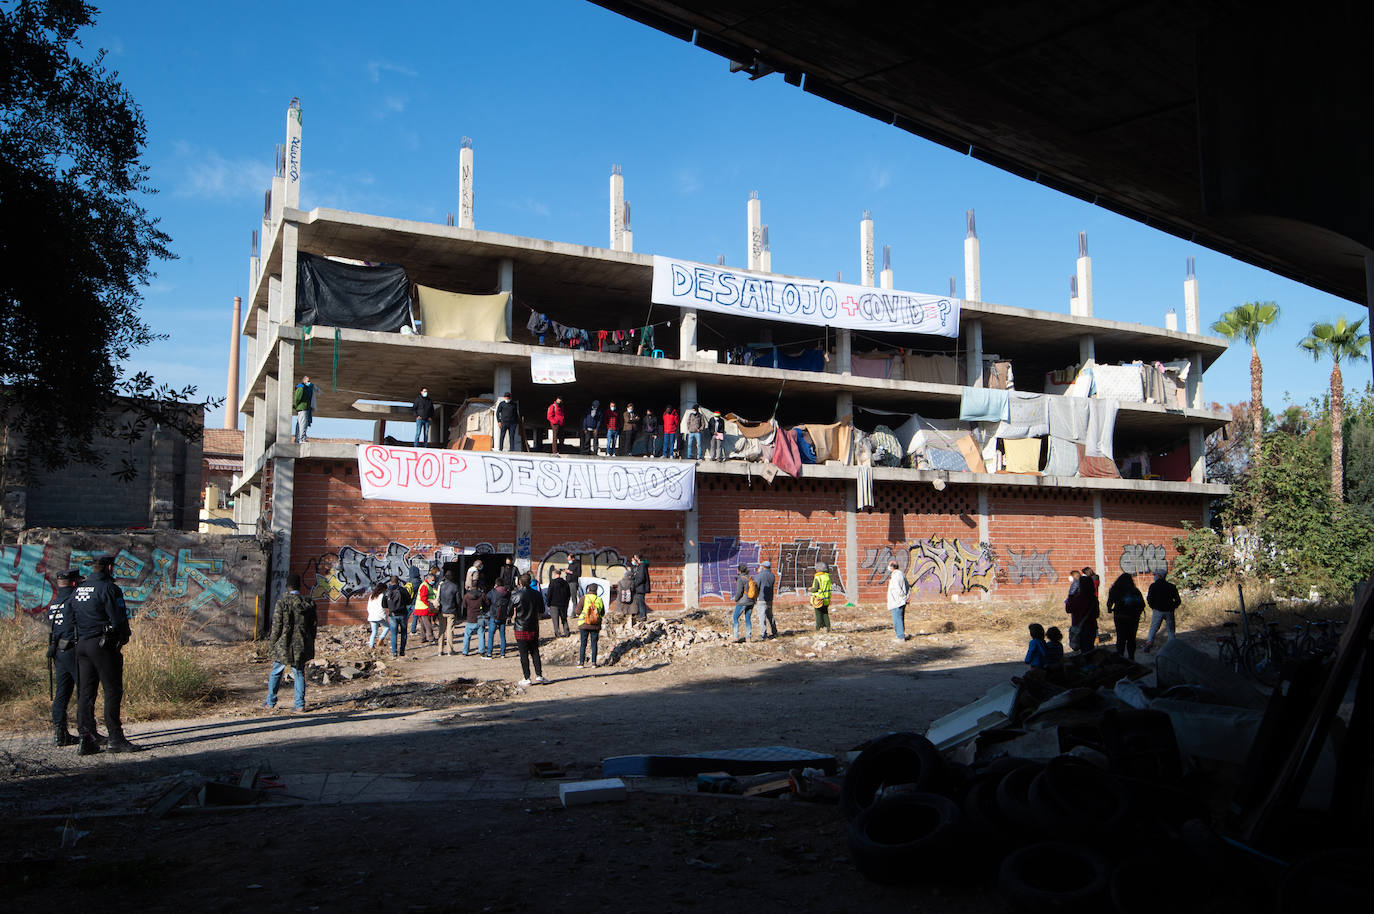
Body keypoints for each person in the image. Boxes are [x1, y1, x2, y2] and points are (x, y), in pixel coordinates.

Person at [73, 554, 135, 754]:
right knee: (112, 690)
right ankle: (115, 738)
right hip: (102, 645)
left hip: (82, 645)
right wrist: (123, 637)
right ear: (109, 568)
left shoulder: (78, 589)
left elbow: (72, 616)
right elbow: (118, 619)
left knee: (86, 692)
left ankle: (86, 738)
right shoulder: (109, 588)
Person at [264, 573, 318, 713]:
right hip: (301, 644)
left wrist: (272, 644)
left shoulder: (282, 602)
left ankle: (270, 702)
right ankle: (300, 704)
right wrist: (310, 641)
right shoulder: (308, 603)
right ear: (299, 586)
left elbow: (277, 626)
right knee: (299, 672)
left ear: (287, 586)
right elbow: (313, 626)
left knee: (276, 671)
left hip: (283, 644)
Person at [45, 569, 84, 747]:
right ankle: (87, 733)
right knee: (84, 691)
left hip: (58, 652)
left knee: (62, 692)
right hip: (73, 650)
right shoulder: (74, 600)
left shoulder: (54, 603)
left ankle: (60, 734)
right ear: (74, 582)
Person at [512, 573, 549, 685]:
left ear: (520, 582)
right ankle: (539, 675)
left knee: (523, 653)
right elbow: (542, 610)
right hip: (533, 626)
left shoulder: (516, 595)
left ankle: (527, 677)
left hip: (520, 627)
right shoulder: (537, 594)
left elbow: (509, 611)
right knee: (535, 651)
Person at [1106, 572, 1146, 660]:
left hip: (1120, 617)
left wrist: (1110, 609)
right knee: (1131, 638)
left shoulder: (1115, 590)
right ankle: (1131, 658)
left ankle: (1121, 658)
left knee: (1121, 638)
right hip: (1133, 618)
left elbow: (1109, 603)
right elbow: (1142, 604)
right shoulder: (1135, 591)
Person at [1144, 570, 1182, 652]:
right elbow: (1178, 600)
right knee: (1171, 630)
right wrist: (1173, 607)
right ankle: (1172, 646)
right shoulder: (1171, 586)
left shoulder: (1153, 586)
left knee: (1154, 628)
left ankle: (1149, 642)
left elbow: (1149, 599)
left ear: (1159, 576)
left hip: (1157, 610)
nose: (1154, 576)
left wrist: (1153, 607)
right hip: (1169, 611)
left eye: (1155, 575)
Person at [577, 583, 605, 668]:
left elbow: (577, 611)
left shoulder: (584, 598)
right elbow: (602, 613)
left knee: (583, 644)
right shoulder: (599, 599)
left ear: (588, 589)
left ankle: (581, 663)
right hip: (595, 625)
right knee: (594, 644)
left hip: (584, 624)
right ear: (596, 590)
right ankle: (594, 663)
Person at [384, 574, 410, 657]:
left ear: (390, 582)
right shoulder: (403, 590)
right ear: (398, 581)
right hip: (403, 614)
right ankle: (402, 651)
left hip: (392, 614)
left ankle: (394, 652)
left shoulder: (387, 592)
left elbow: (383, 604)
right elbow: (409, 601)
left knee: (393, 634)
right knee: (404, 633)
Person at [731, 563, 756, 642]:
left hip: (742, 602)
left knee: (735, 617)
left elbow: (739, 592)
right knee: (748, 618)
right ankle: (748, 637)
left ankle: (735, 636)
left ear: (739, 571)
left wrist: (736, 599)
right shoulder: (749, 577)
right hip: (751, 601)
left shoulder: (740, 579)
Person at [462, 586, 490, 656]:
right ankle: (481, 650)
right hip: (479, 618)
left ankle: (465, 651)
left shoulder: (467, 596)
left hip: (470, 617)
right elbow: (488, 603)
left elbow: (464, 605)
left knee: (467, 635)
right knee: (481, 634)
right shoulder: (482, 595)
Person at [412, 569, 438, 646]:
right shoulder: (425, 586)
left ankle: (422, 638)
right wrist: (430, 605)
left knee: (423, 624)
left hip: (420, 608)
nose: (434, 581)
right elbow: (423, 598)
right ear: (428, 579)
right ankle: (431, 638)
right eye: (432, 580)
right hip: (424, 608)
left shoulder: (427, 585)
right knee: (428, 624)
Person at [438, 568, 461, 656]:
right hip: (451, 611)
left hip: (442, 610)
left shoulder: (441, 586)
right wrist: (458, 611)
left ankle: (440, 650)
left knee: (441, 630)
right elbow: (458, 601)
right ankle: (449, 650)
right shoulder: (455, 587)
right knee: (449, 631)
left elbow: (438, 598)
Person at [487, 582, 512, 658]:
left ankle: (489, 653)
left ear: (496, 585)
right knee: (502, 635)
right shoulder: (507, 593)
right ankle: (502, 653)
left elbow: (487, 598)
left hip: (494, 615)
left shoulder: (493, 592)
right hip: (503, 616)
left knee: (491, 635)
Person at [887, 560, 910, 642]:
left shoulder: (896, 576)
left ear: (892, 566)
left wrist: (904, 597)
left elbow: (897, 589)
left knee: (897, 619)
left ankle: (900, 637)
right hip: (901, 601)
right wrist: (907, 597)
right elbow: (907, 586)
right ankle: (900, 635)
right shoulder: (901, 574)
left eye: (889, 565)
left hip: (897, 601)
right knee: (900, 618)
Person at [546, 567, 572, 637]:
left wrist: (548, 604)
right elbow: (568, 594)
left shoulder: (552, 583)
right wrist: (566, 603)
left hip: (554, 604)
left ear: (555, 574)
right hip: (563, 604)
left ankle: (557, 633)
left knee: (555, 620)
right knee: (564, 619)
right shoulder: (565, 583)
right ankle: (567, 632)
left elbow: (549, 594)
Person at [754, 560, 777, 638]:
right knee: (770, 616)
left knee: (762, 616)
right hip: (770, 598)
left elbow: (756, 586)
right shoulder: (772, 575)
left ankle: (764, 634)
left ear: (763, 567)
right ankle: (774, 631)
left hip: (761, 598)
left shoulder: (760, 575)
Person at [810, 562, 833, 631]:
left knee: (818, 614)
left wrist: (810, 589)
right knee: (825, 613)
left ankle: (818, 628)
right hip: (826, 599)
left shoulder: (817, 577)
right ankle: (828, 627)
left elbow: (815, 589)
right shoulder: (827, 577)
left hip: (819, 599)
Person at [293, 375, 316, 443]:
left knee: (300, 424)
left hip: (305, 408)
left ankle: (298, 439)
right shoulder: (301, 388)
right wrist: (296, 405)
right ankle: (301, 439)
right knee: (303, 424)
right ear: (304, 381)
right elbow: (297, 398)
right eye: (308, 381)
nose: (309, 382)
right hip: (303, 408)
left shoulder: (306, 388)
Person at [365, 582, 388, 649]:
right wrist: (385, 616)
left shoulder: (371, 596)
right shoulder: (382, 596)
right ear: (383, 589)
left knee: (374, 632)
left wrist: (370, 613)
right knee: (387, 627)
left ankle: (371, 646)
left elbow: (368, 607)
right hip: (379, 616)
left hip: (371, 616)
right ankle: (381, 639)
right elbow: (382, 607)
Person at [630, 553, 651, 623]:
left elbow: (641, 578)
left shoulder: (642, 566)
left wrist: (634, 584)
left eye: (634, 558)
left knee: (641, 602)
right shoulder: (638, 566)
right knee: (639, 602)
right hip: (638, 587)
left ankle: (643, 616)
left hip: (640, 588)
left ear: (637, 558)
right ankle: (640, 615)